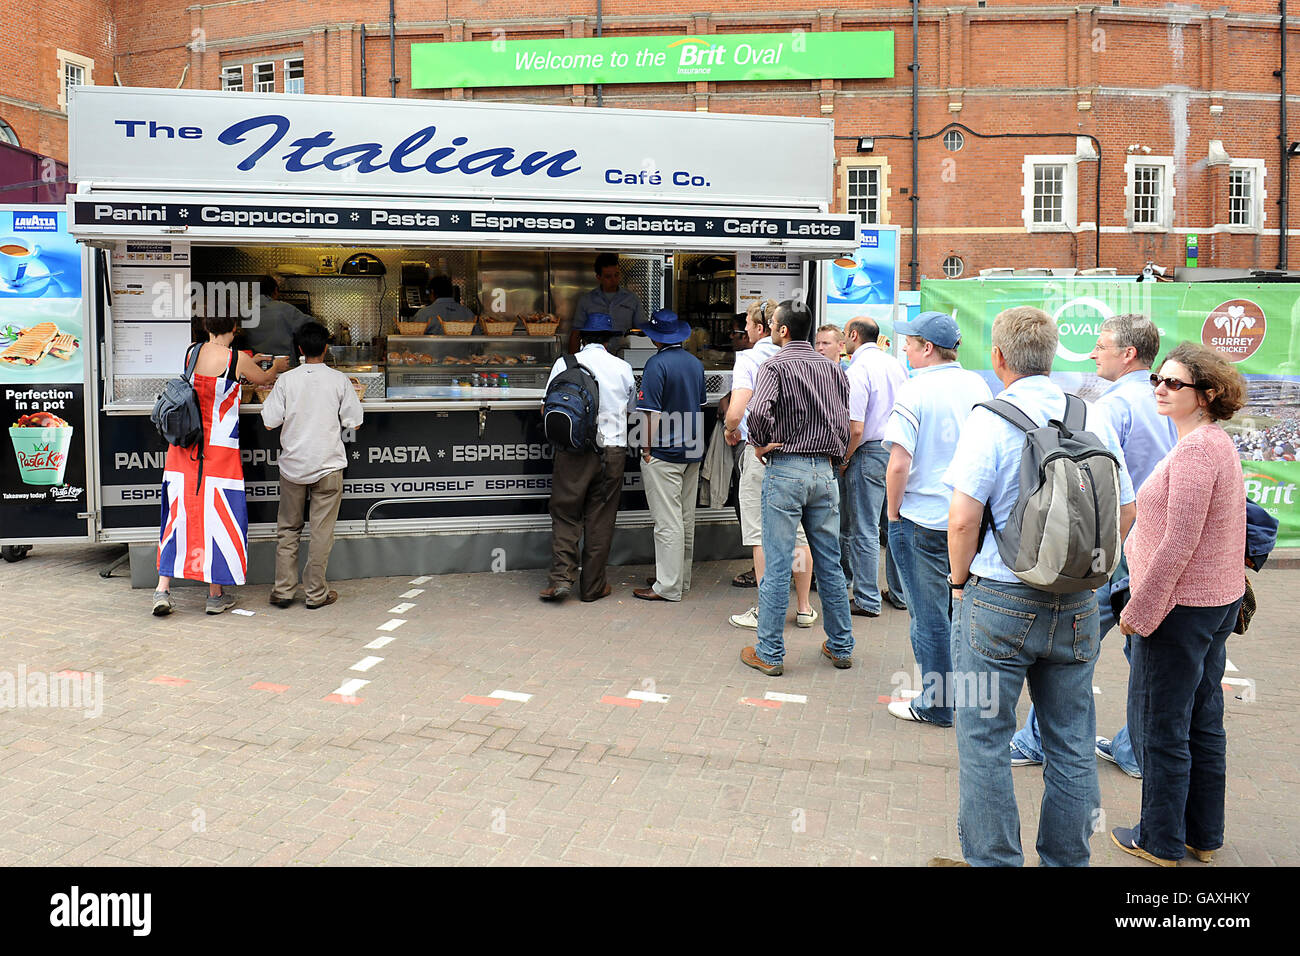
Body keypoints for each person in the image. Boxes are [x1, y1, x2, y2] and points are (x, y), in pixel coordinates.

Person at [944, 305, 1136, 866]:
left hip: (1000, 597)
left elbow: (962, 518)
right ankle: (1067, 861)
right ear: (1051, 356)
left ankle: (996, 861)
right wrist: (1088, 569)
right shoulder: (1089, 416)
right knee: (1072, 744)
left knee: (984, 743)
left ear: (999, 358)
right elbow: (1125, 507)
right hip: (1077, 601)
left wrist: (959, 585)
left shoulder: (992, 417)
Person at [1010, 313, 1176, 776]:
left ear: (1128, 354)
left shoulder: (1110, 408)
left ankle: (1037, 742)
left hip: (1123, 547)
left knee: (1067, 643)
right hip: (1160, 544)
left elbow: (1105, 488)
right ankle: (1135, 748)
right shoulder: (1169, 400)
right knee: (1145, 654)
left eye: (1100, 345)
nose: (1092, 352)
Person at [1111, 343, 1248, 867]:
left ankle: (1160, 841)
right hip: (1212, 603)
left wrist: (1139, 612)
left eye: (1175, 384)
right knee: (1202, 720)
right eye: (1158, 381)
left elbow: (1178, 541)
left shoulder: (1196, 450)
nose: (1161, 389)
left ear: (1207, 394)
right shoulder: (1215, 443)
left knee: (1164, 727)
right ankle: (1202, 836)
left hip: (1179, 608)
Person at [882, 311, 992, 726]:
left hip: (923, 519)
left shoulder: (915, 390)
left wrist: (893, 513)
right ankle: (958, 693)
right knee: (962, 612)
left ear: (927, 348)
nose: (905, 349)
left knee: (928, 617)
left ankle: (937, 703)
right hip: (970, 517)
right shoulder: (979, 386)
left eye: (909, 342)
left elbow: (898, 464)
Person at [739, 299, 855, 676]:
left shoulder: (775, 365)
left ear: (783, 330)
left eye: (773, 323)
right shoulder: (833, 368)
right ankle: (840, 646)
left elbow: (757, 412)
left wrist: (760, 442)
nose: (770, 326)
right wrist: (835, 458)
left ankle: (770, 653)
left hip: (785, 468)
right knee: (829, 563)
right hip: (824, 471)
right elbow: (844, 418)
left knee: (777, 563)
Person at [152, 315, 284, 616]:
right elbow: (263, 380)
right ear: (235, 330)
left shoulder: (191, 351)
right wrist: (275, 366)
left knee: (178, 513)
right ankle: (214, 595)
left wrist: (252, 359)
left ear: (206, 328)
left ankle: (162, 589)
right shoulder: (236, 359)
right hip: (220, 449)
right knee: (220, 515)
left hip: (184, 446)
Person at [723, 300, 815, 629]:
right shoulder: (807, 359)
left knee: (761, 534)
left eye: (747, 325)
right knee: (799, 533)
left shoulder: (749, 359)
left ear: (763, 328)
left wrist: (731, 429)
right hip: (800, 453)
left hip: (762, 452)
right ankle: (804, 608)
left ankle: (765, 609)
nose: (744, 331)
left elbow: (737, 411)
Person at [260, 321, 364, 610]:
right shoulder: (339, 380)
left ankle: (283, 591)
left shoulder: (286, 380)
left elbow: (269, 421)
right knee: (321, 532)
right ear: (326, 348)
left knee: (289, 529)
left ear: (300, 349)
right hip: (328, 466)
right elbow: (354, 421)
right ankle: (316, 594)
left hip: (293, 467)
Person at [540, 312, 635, 604]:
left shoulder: (564, 363)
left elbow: (545, 407)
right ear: (609, 340)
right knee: (601, 518)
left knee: (566, 513)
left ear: (581, 338)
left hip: (573, 451)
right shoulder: (622, 367)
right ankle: (593, 587)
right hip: (613, 451)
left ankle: (561, 579)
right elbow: (631, 408)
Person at [633, 310, 708, 602]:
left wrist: (646, 448)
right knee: (685, 519)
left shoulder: (655, 365)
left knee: (667, 522)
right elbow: (699, 405)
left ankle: (667, 586)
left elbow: (650, 414)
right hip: (692, 448)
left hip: (664, 450)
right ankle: (679, 579)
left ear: (655, 338)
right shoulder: (695, 363)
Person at [841, 316, 907, 617]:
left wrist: (844, 458)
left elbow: (856, 428)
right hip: (896, 451)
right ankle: (899, 592)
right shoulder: (895, 364)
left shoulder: (858, 369)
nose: (844, 342)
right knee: (893, 523)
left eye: (844, 336)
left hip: (867, 452)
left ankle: (866, 598)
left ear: (855, 335)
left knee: (864, 528)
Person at [568, 252, 645, 354]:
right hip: (594, 358)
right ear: (598, 277)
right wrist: (574, 363)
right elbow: (576, 334)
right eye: (608, 276)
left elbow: (642, 331)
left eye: (616, 275)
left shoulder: (632, 299)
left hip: (624, 357)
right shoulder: (586, 300)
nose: (614, 280)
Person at [243, 274, 311, 359]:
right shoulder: (283, 308)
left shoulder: (245, 309)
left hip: (256, 362)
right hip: (284, 364)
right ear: (275, 290)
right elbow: (311, 324)